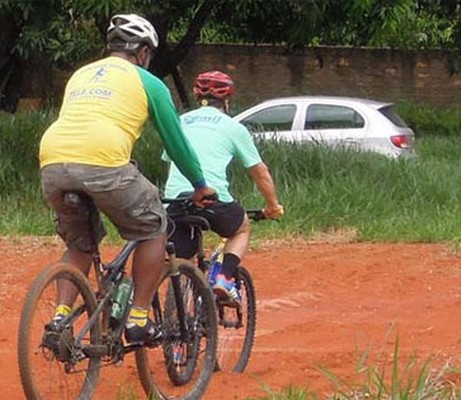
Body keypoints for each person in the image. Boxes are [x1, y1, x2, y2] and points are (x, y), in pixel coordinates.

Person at [39, 14, 216, 345]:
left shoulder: (80, 75)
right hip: (103, 161)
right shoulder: (148, 82)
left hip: (52, 162)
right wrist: (199, 184)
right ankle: (138, 318)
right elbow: (175, 142)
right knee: (153, 227)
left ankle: (60, 318)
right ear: (144, 52)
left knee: (80, 244)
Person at [163, 70, 284, 306]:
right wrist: (272, 205)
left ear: (197, 97)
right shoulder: (233, 127)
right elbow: (260, 172)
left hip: (175, 201)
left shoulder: (179, 123)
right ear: (227, 101)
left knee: (182, 262)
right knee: (241, 229)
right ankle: (225, 279)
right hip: (211, 199)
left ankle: (177, 322)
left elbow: (172, 163)